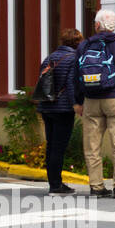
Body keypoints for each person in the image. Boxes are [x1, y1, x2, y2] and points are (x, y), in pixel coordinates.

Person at [74, 10, 115, 199]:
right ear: (114, 26)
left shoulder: (85, 45)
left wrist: (78, 102)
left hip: (91, 101)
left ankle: (96, 187)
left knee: (92, 146)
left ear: (96, 26)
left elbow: (75, 75)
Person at [38, 28, 83, 195]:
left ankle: (53, 183)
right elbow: (71, 85)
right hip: (63, 108)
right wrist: (75, 104)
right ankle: (56, 185)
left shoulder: (49, 57)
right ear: (77, 42)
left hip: (46, 106)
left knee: (51, 146)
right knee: (59, 147)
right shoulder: (73, 58)